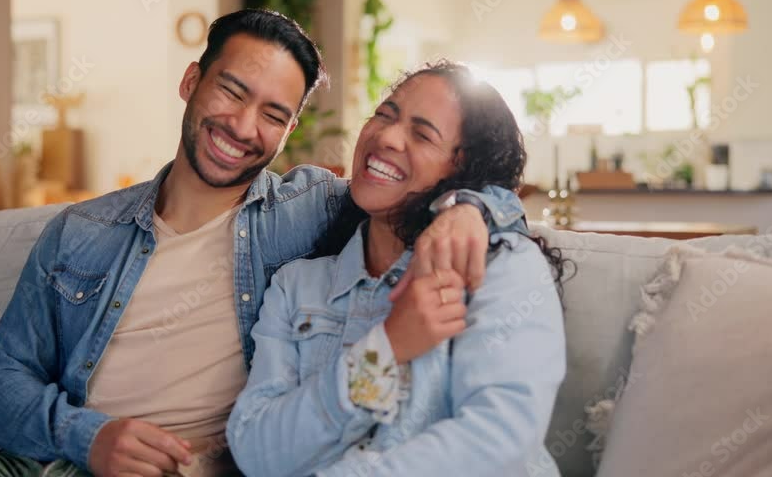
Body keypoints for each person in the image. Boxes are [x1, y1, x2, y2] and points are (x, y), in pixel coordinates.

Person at [0, 11, 522, 477]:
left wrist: (468, 208)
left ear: (290, 130)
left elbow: (433, 179)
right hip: (42, 462)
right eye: (231, 92)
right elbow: (0, 390)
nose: (243, 126)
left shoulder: (314, 210)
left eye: (274, 114)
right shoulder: (81, 231)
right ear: (191, 81)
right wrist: (91, 438)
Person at [227, 60, 569, 476]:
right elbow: (257, 452)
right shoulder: (297, 286)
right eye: (384, 115)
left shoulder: (498, 267)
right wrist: (385, 348)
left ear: (462, 171)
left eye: (422, 134)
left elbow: (500, 439)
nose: (386, 137)